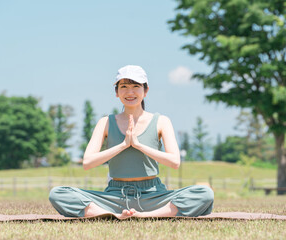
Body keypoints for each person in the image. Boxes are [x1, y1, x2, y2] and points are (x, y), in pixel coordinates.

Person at [49, 65, 214, 219]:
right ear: (116, 92)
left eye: (136, 86)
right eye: (124, 87)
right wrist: (123, 145)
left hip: (153, 195)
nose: (130, 92)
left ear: (146, 90)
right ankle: (110, 215)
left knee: (205, 193)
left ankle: (148, 215)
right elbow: (87, 163)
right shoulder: (105, 122)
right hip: (114, 196)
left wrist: (138, 145)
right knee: (58, 193)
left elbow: (175, 162)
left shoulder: (161, 121)